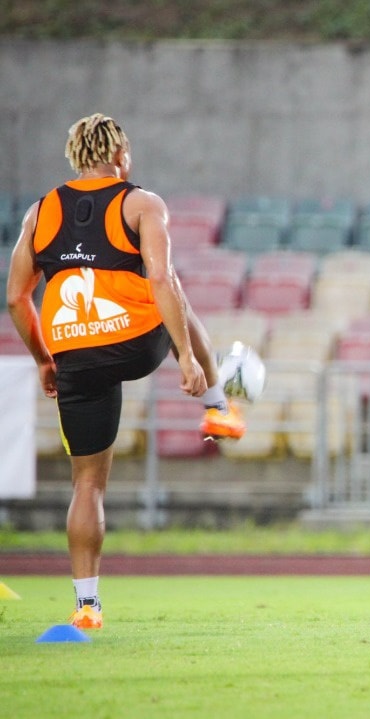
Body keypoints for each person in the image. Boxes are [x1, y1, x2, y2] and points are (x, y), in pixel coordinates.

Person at [5, 113, 246, 631]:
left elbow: (16, 297)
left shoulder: (40, 212)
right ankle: (218, 408)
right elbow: (160, 278)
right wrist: (185, 356)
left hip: (74, 353)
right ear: (120, 155)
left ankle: (86, 606)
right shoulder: (141, 203)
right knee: (177, 294)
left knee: (87, 485)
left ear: (76, 157)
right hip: (135, 343)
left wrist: (45, 359)